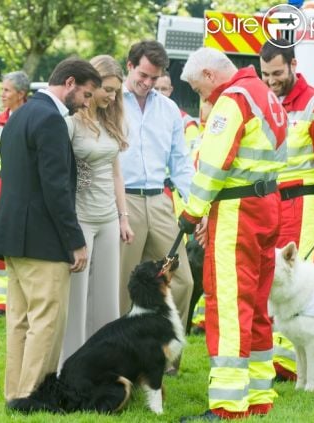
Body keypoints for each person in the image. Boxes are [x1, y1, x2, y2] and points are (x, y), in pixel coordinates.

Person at [178, 47, 287, 420]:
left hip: (238, 210)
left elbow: (213, 163)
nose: (201, 97)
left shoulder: (233, 100)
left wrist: (192, 213)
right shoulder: (265, 94)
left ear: (210, 74)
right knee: (257, 306)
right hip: (267, 205)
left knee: (227, 305)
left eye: (198, 88)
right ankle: (258, 398)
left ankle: (227, 406)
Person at [0, 58, 100, 403]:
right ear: (69, 83)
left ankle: (15, 393)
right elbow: (56, 188)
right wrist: (75, 241)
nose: (86, 102)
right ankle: (33, 396)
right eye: (86, 94)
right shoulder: (51, 120)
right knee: (45, 322)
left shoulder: (19, 114)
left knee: (19, 322)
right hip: (42, 239)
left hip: (11, 234)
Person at [259, 39, 314, 382]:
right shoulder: (266, 99)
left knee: (297, 279)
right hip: (270, 198)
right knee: (271, 277)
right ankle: (275, 357)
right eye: (265, 73)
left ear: (294, 65)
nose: (270, 79)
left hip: (304, 200)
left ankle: (291, 364)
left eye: (277, 72)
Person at [118, 40, 195, 348]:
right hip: (123, 201)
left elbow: (180, 162)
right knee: (123, 285)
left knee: (183, 281)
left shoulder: (168, 109)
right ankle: (122, 353)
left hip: (160, 200)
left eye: (155, 78)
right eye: (143, 76)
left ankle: (165, 351)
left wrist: (195, 204)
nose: (148, 84)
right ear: (130, 66)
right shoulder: (111, 102)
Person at [60, 55, 134, 362]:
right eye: (109, 89)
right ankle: (69, 364)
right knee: (76, 299)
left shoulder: (109, 121)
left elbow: (117, 174)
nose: (113, 97)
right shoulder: (71, 123)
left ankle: (103, 362)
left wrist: (123, 217)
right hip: (80, 217)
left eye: (117, 92)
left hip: (108, 219)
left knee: (107, 298)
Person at [0, 71, 30, 317]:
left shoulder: (29, 118)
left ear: (21, 94)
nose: (2, 95)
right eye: (2, 90)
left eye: (7, 90)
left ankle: (20, 297)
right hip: (1, 183)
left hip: (20, 184)